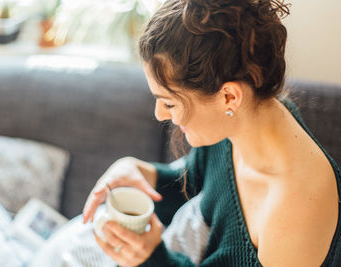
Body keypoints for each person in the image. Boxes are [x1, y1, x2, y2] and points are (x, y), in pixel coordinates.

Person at [79, 0, 341, 266]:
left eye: (170, 103)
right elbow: (200, 183)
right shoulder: (242, 120)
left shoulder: (296, 212)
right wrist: (143, 173)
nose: (160, 114)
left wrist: (152, 259)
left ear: (229, 96)